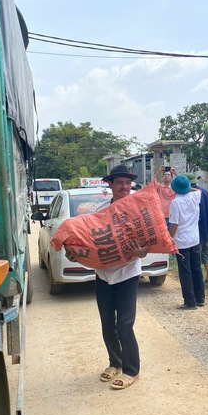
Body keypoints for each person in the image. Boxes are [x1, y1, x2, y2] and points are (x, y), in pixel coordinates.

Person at [65, 165, 148, 390]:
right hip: (104, 275)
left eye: (127, 183)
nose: (124, 186)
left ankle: (132, 370)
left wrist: (142, 252)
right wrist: (76, 254)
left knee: (124, 323)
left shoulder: (138, 211)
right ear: (110, 185)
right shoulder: (101, 213)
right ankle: (115, 362)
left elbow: (146, 243)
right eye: (119, 182)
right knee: (107, 323)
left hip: (128, 274)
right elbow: (90, 242)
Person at [169, 174, 205, 309]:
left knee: (185, 272)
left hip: (181, 241)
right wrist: (188, 188)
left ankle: (190, 302)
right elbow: (198, 190)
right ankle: (200, 298)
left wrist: (169, 238)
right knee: (196, 269)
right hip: (195, 239)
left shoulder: (175, 203)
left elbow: (174, 224)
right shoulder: (195, 196)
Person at [185, 173, 208, 284]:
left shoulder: (190, 194)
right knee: (206, 251)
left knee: (196, 255)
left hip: (197, 228)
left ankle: (197, 280)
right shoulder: (205, 191)